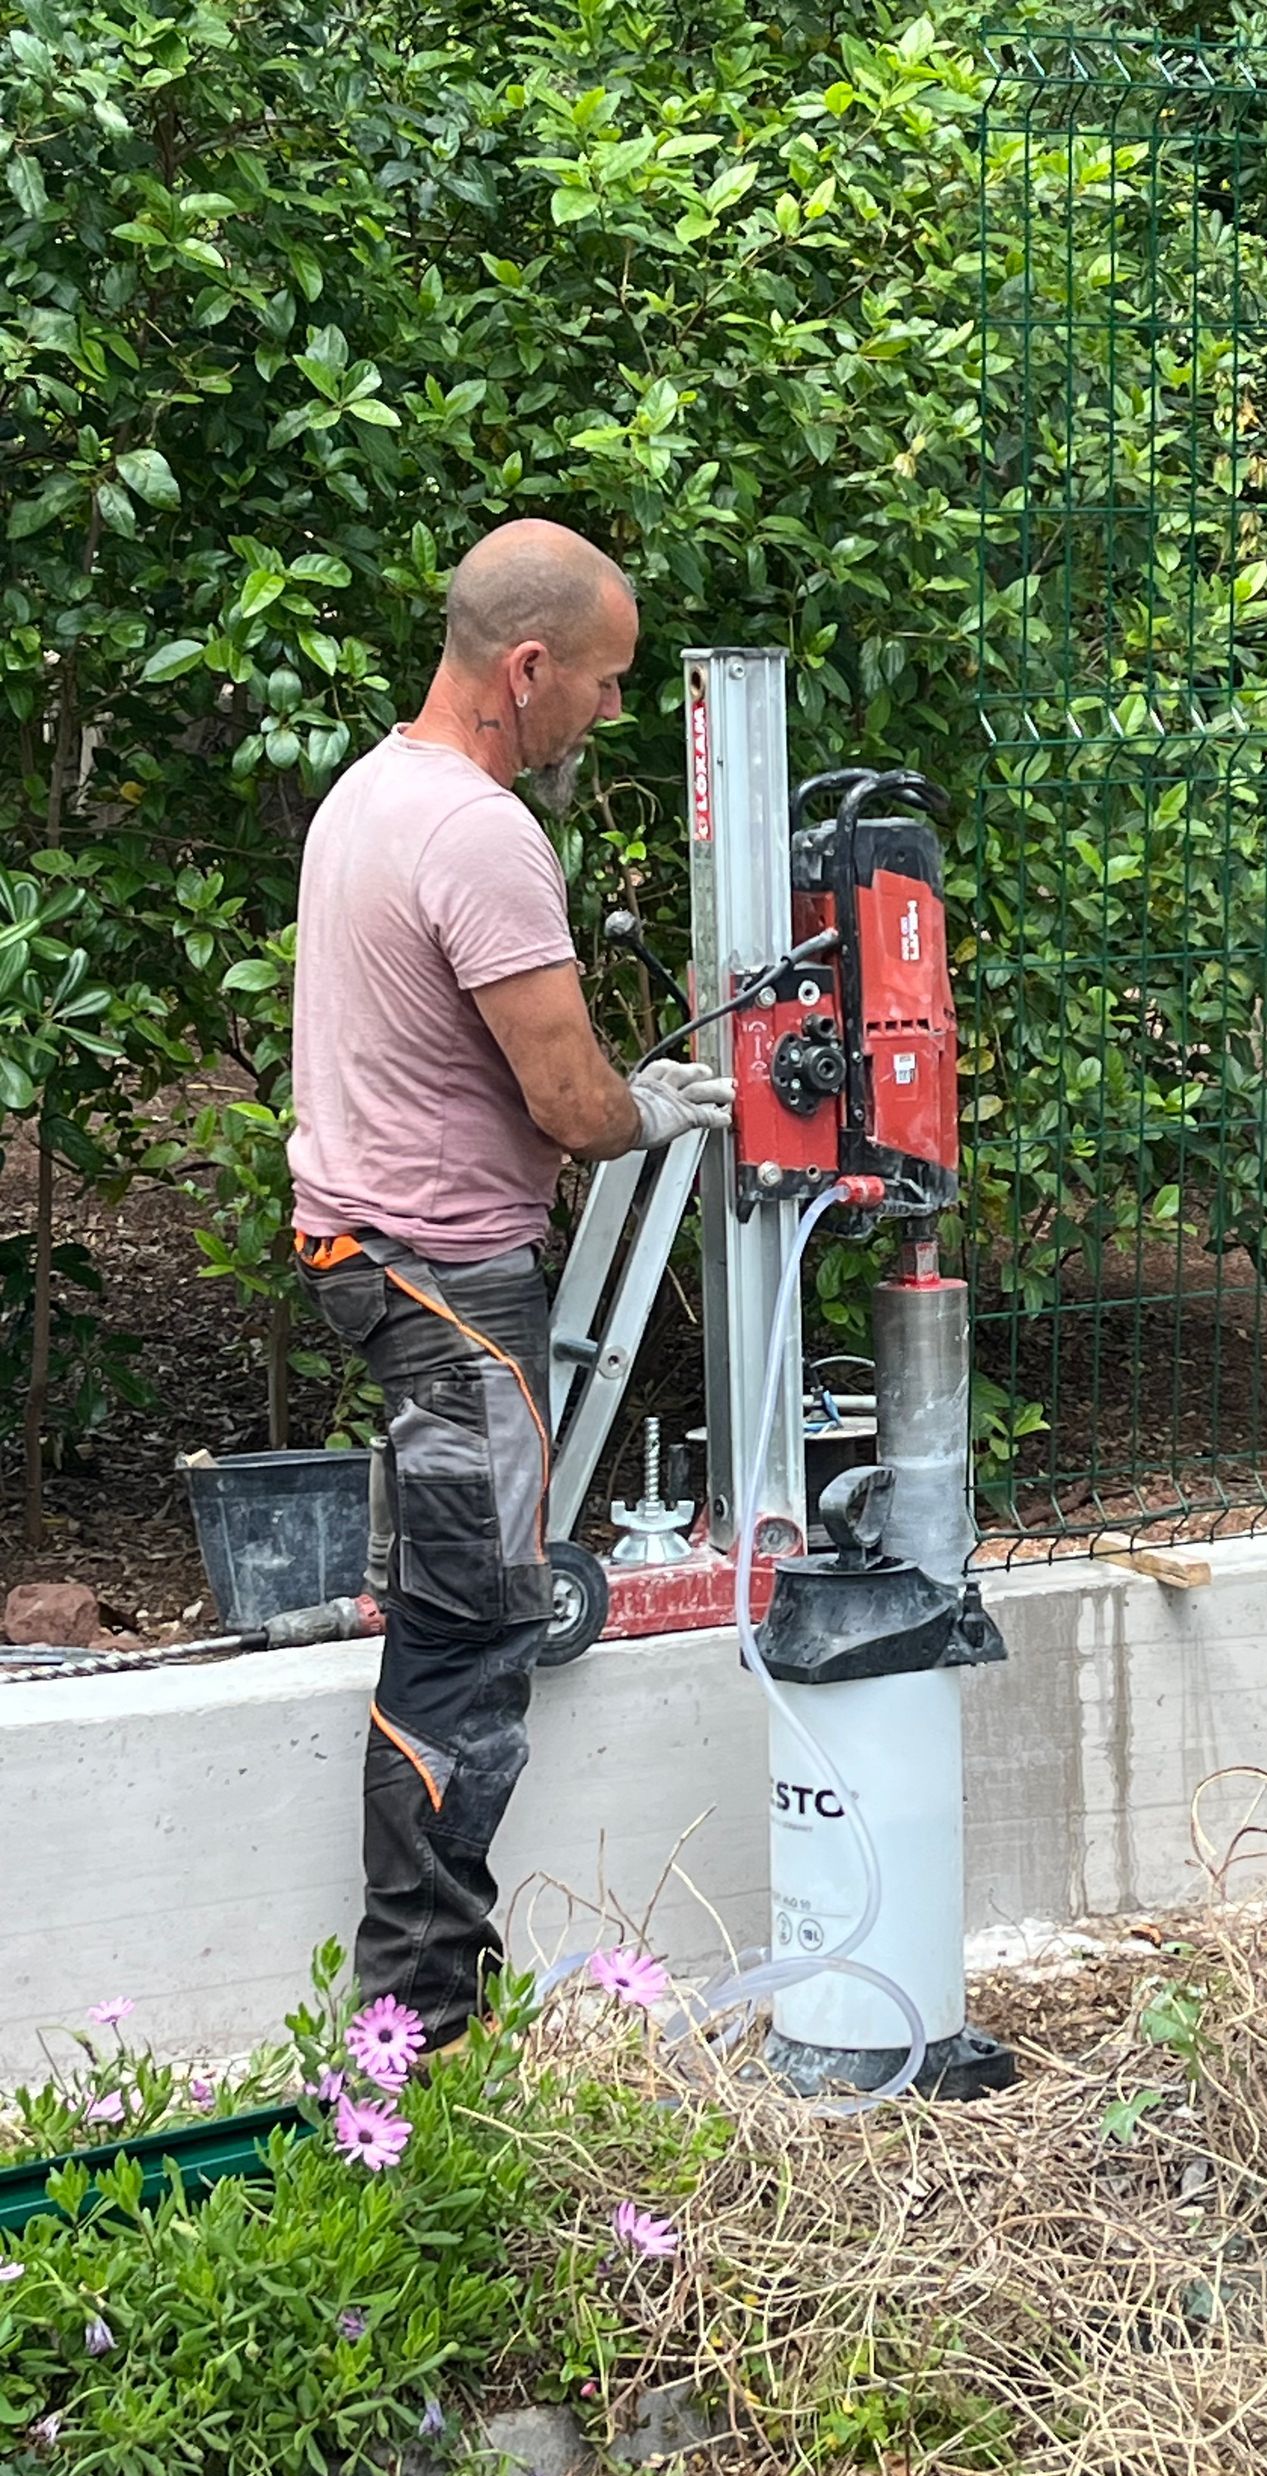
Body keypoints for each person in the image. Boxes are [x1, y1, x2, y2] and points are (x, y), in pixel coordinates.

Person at [287, 517, 733, 2057]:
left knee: (451, 1614)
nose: (609, 713)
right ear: (525, 669)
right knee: (471, 1648)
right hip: (447, 1283)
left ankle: (415, 2029)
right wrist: (653, 1101)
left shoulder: (371, 792)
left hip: (374, 1256)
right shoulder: (480, 833)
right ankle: (418, 2040)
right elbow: (564, 1099)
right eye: (603, 685)